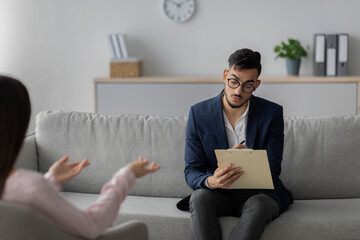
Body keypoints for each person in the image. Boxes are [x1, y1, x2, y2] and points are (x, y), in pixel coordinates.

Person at [0, 75, 161, 239]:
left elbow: (28, 202)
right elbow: (92, 225)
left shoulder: (26, 188)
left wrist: (50, 179)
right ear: (17, 126)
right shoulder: (32, 187)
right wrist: (126, 176)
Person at [180, 49, 293, 240]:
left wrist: (249, 158)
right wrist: (212, 181)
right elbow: (192, 170)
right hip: (217, 194)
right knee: (199, 196)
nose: (238, 91)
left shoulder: (272, 113)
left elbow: (273, 169)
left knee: (260, 205)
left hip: (258, 194)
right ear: (225, 75)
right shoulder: (198, 113)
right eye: (234, 81)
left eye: (248, 85)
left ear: (256, 85)